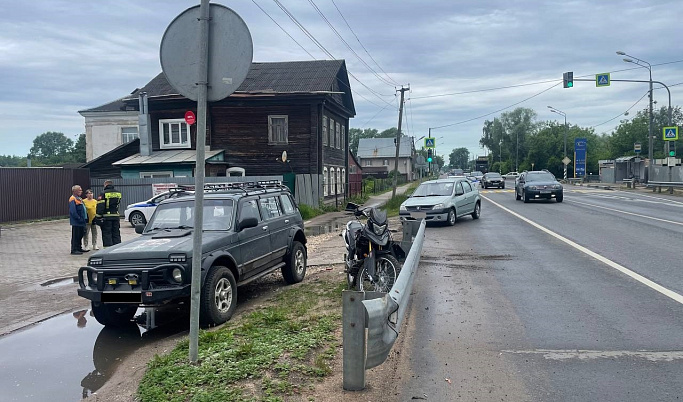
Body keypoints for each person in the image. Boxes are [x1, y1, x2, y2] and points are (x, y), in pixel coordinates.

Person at [96, 180, 122, 247]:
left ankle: (108, 250)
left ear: (105, 185)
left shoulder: (103, 193)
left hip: (106, 217)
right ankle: (117, 249)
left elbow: (100, 206)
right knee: (116, 233)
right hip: (116, 216)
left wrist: (98, 217)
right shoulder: (118, 193)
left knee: (107, 234)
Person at [69, 185, 89, 255]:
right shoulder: (72, 199)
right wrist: (78, 218)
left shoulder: (79, 198)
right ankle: (74, 249)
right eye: (79, 190)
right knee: (76, 235)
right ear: (75, 191)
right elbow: (73, 211)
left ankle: (79, 248)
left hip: (82, 220)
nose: (81, 191)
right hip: (77, 221)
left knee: (80, 234)